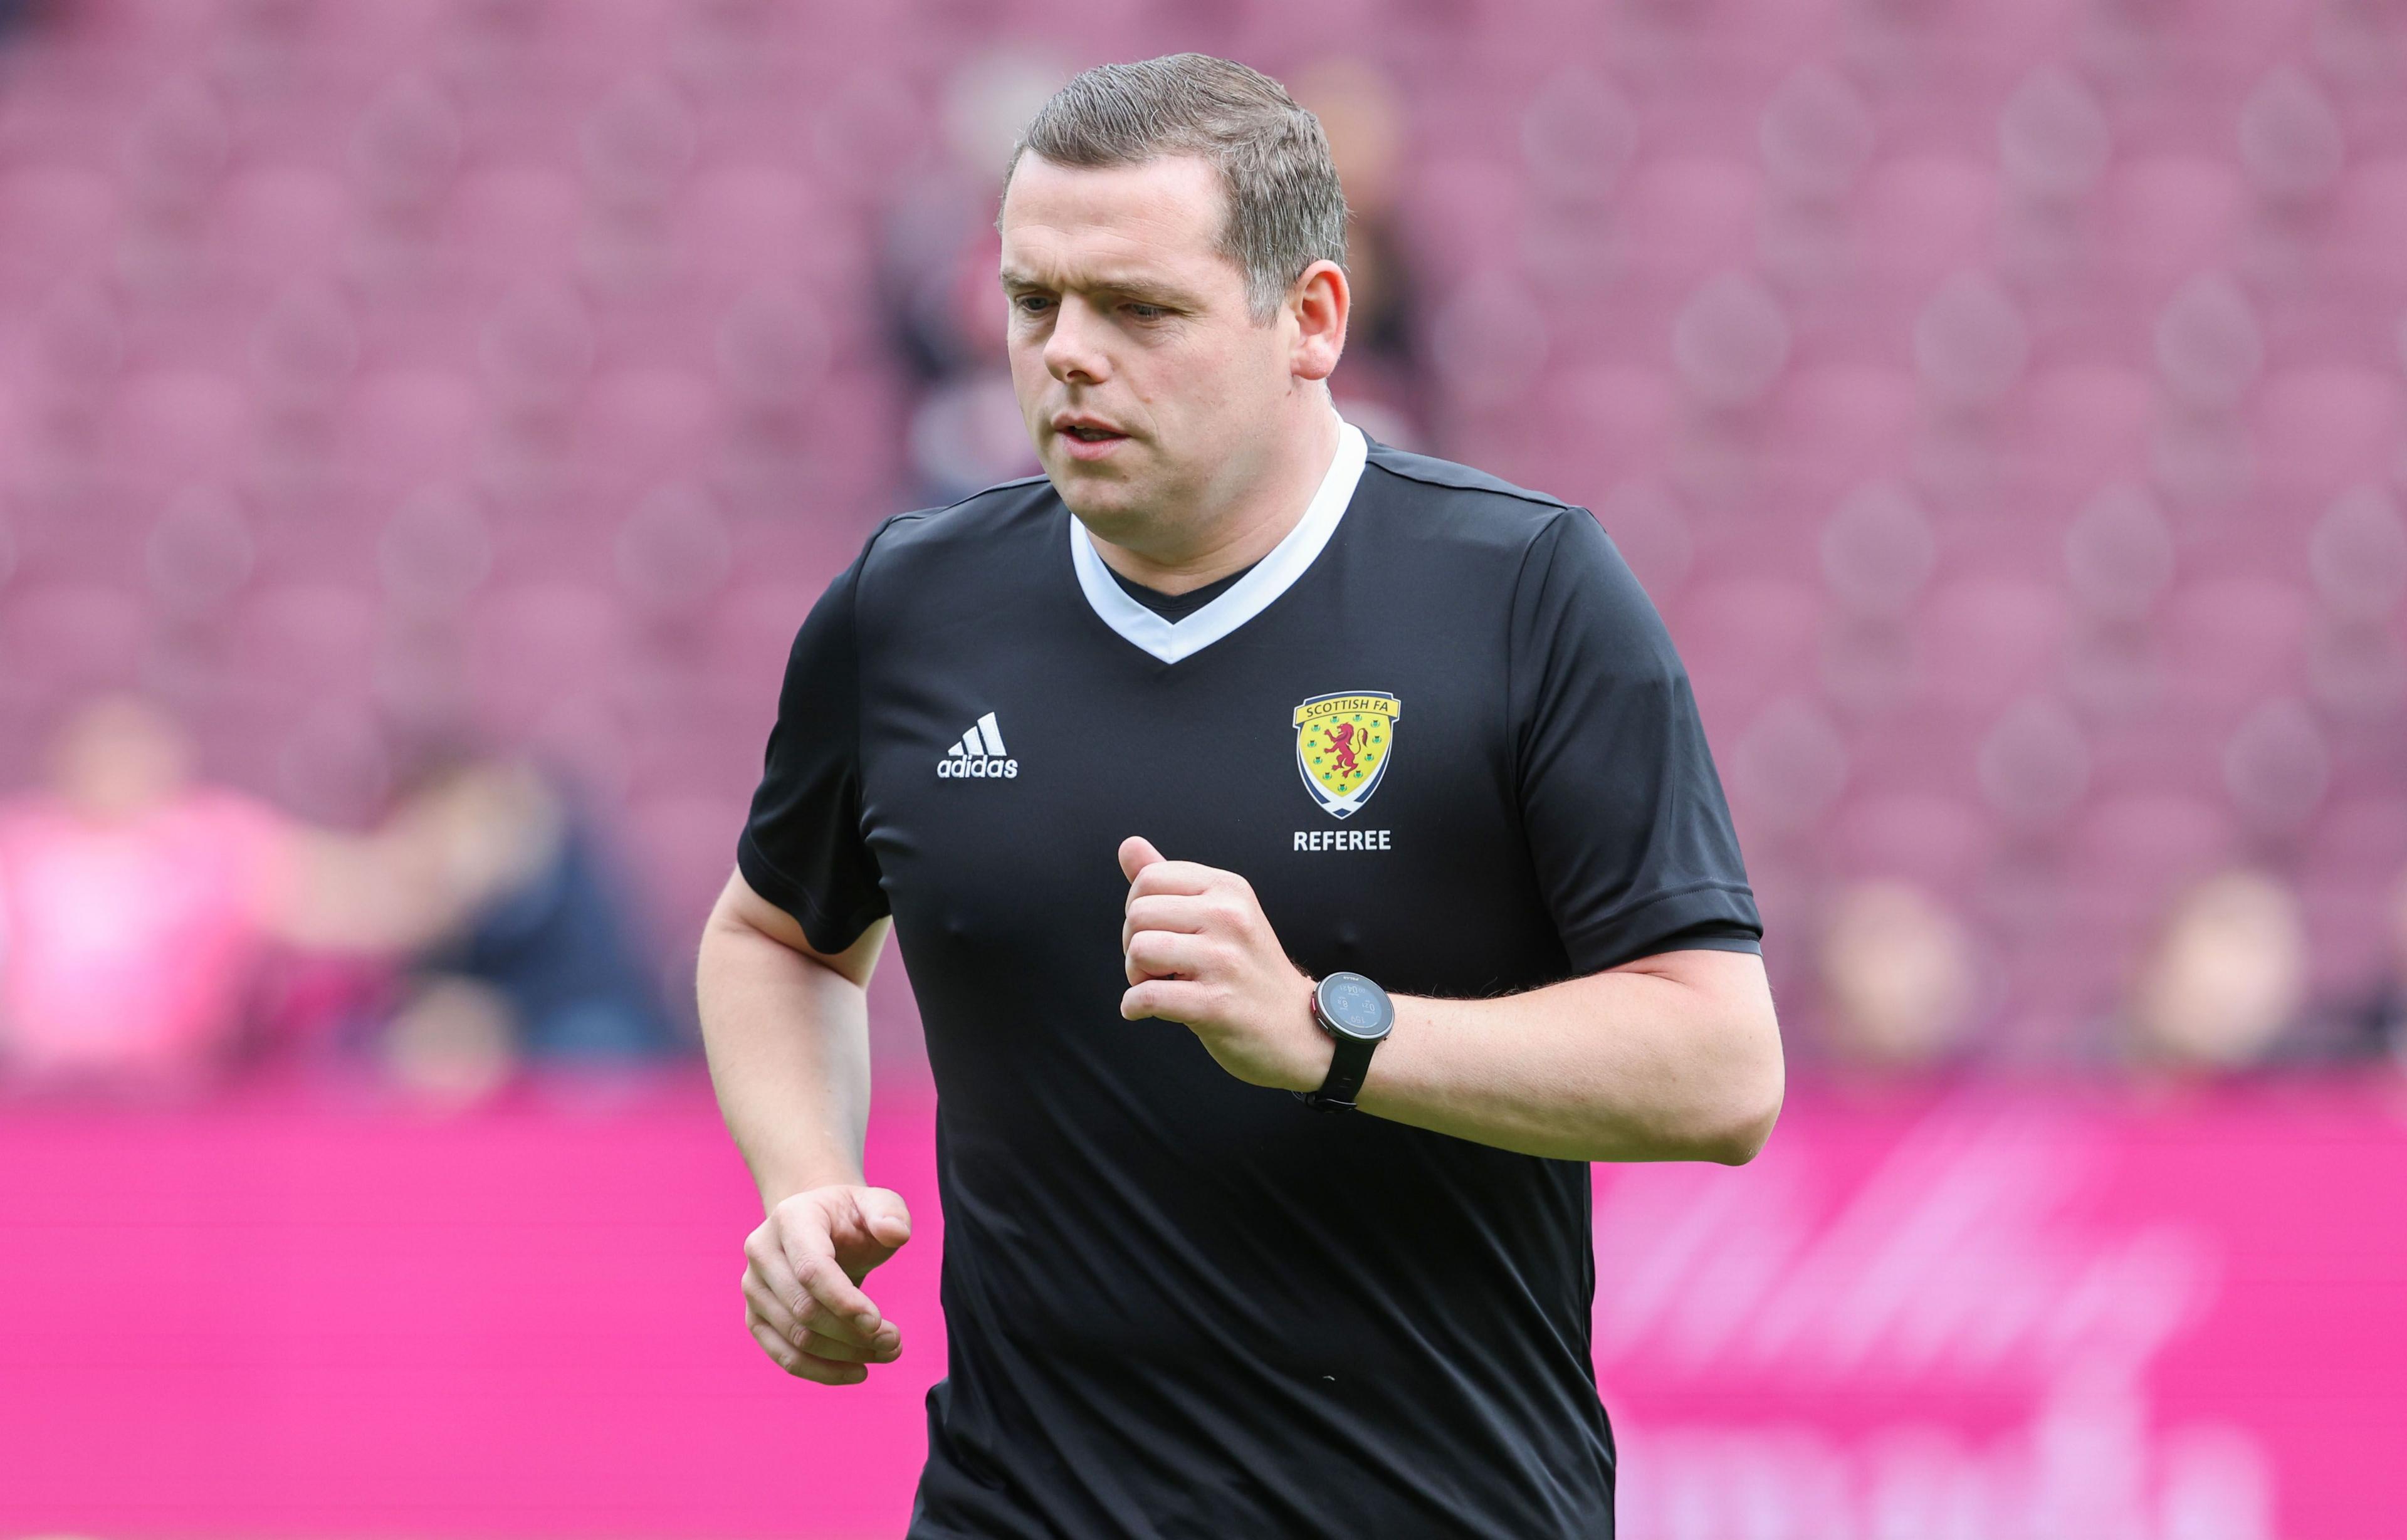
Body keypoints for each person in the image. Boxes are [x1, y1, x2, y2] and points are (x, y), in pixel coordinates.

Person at [696, 55, 1782, 1539]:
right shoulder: (908, 610)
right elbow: (776, 938)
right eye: (1033, 303)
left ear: (1312, 322)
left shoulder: (1527, 595)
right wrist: (805, 1180)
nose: (1070, 355)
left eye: (1141, 310)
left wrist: (1332, 1032)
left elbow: (1722, 1069)